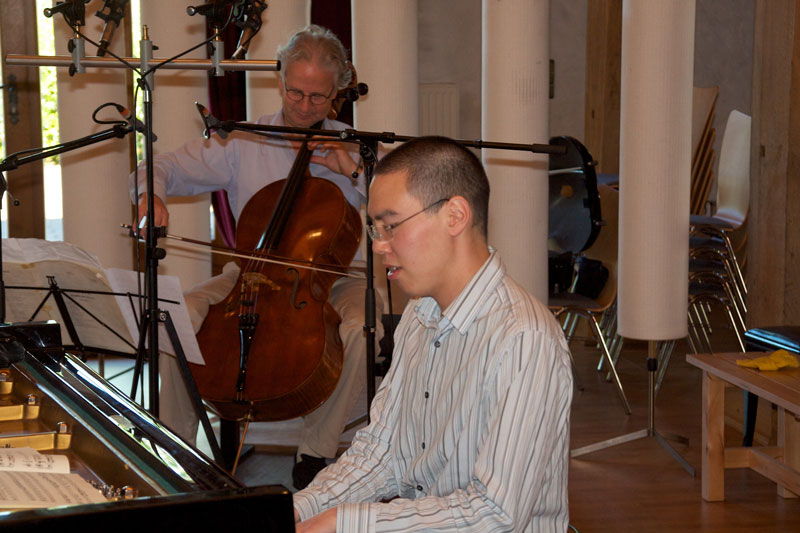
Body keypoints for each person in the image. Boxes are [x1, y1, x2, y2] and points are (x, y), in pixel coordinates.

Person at [129, 24, 382, 490]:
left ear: (339, 93)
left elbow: (394, 205)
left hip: (336, 274)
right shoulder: (244, 139)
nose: (304, 106)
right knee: (177, 316)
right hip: (250, 273)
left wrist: (354, 169)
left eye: (318, 98)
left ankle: (316, 453)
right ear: (280, 80)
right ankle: (174, 448)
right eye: (295, 92)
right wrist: (152, 197)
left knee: (359, 329)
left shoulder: (354, 144)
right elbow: (157, 166)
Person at [293, 136, 573, 532]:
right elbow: (381, 453)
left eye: (389, 225)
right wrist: (300, 508)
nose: (379, 246)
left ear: (455, 216)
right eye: (375, 229)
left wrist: (345, 523)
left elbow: (495, 514)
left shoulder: (524, 339)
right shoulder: (420, 314)